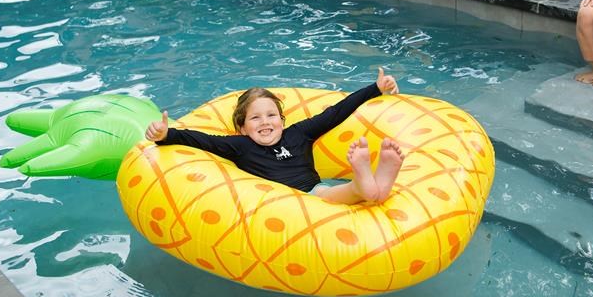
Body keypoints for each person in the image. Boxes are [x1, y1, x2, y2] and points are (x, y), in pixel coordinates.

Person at [144, 68, 404, 205]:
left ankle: (375, 182)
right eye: (255, 118)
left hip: (315, 191)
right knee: (327, 196)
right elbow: (201, 139)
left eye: (271, 116)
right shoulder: (240, 146)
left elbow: (336, 112)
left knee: (330, 194)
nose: (265, 122)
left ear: (282, 120)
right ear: (243, 128)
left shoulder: (299, 133)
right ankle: (364, 183)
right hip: (288, 204)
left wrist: (375, 88)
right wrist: (166, 135)